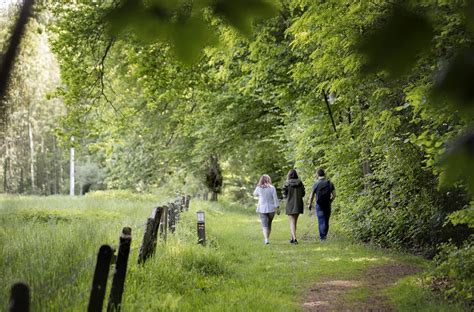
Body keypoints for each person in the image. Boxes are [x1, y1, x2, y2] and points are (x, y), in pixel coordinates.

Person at [307, 168, 336, 241]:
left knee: (321, 221)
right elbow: (334, 195)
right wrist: (330, 201)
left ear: (317, 175)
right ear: (324, 174)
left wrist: (309, 204)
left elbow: (311, 196)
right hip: (327, 204)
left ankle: (322, 237)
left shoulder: (316, 184)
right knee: (326, 220)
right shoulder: (330, 183)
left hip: (319, 205)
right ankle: (324, 235)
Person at [253, 174, 279, 245]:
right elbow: (275, 198)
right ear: (269, 180)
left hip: (262, 208)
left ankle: (266, 239)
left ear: (261, 180)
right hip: (271, 209)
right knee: (269, 224)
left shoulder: (259, 188)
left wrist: (259, 188)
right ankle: (267, 238)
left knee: (264, 224)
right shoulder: (272, 188)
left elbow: (254, 194)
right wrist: (277, 207)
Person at [282, 169, 305, 244]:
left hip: (290, 204)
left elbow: (284, 194)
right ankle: (292, 238)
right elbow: (303, 193)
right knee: (294, 222)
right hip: (298, 203)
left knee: (292, 221)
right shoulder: (300, 183)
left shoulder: (286, 183)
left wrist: (287, 195)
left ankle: (294, 239)